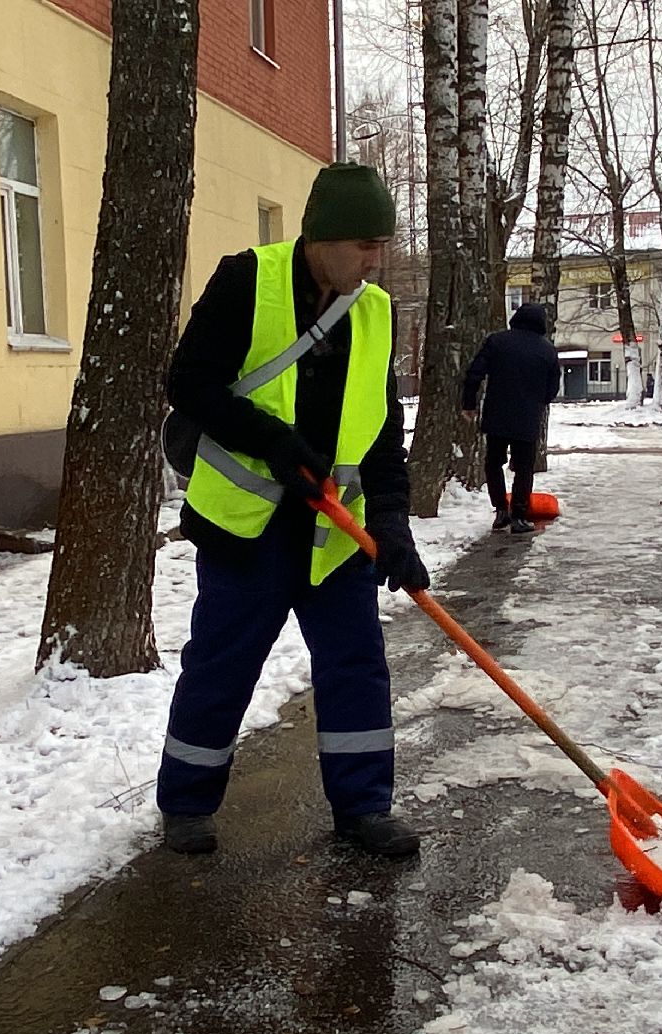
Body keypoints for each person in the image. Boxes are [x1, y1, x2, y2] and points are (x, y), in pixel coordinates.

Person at [158, 162, 429, 858]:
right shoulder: (247, 280)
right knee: (223, 665)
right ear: (320, 238)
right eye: (364, 245)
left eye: (382, 246)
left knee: (356, 666)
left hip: (333, 532)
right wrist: (273, 441)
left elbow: (381, 432)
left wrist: (391, 521)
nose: (375, 261)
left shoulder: (375, 311)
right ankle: (186, 803)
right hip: (246, 528)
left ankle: (364, 807)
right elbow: (189, 383)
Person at [461, 302, 562, 533]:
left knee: (493, 462)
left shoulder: (497, 341)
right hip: (528, 417)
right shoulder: (547, 349)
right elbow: (553, 387)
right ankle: (519, 516)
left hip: (497, 414)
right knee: (524, 467)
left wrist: (469, 404)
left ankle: (500, 510)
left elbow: (474, 373)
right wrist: (539, 402)